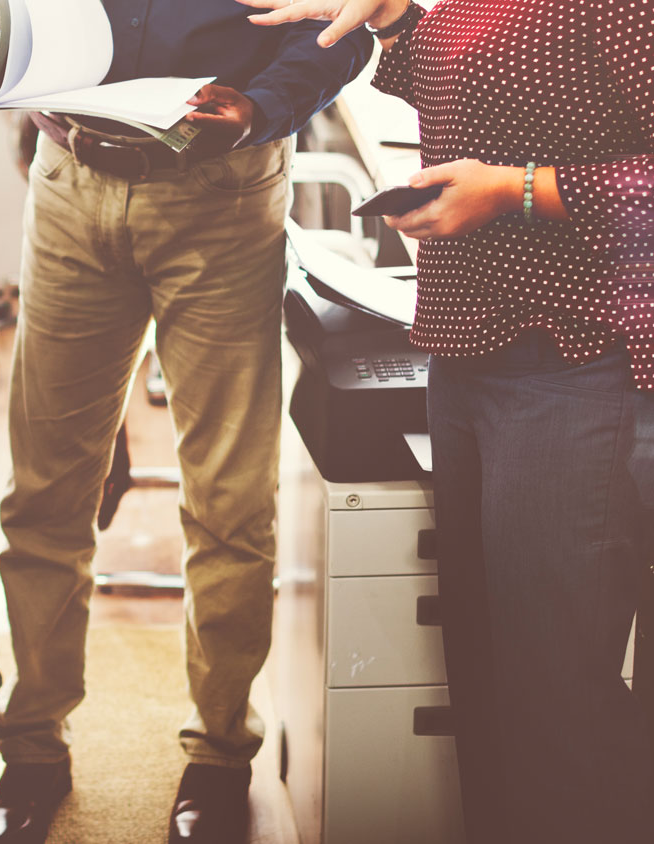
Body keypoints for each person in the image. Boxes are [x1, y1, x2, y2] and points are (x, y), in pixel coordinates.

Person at [236, 0, 654, 841]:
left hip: (575, 360)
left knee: (550, 701)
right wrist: (396, 20)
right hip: (468, 350)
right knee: (487, 680)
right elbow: (479, 86)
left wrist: (516, 191)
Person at [0, 2, 372, 842]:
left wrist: (262, 107)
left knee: (228, 501)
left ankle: (220, 754)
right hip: (71, 179)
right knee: (44, 493)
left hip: (222, 191)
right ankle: (32, 746)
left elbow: (347, 23)